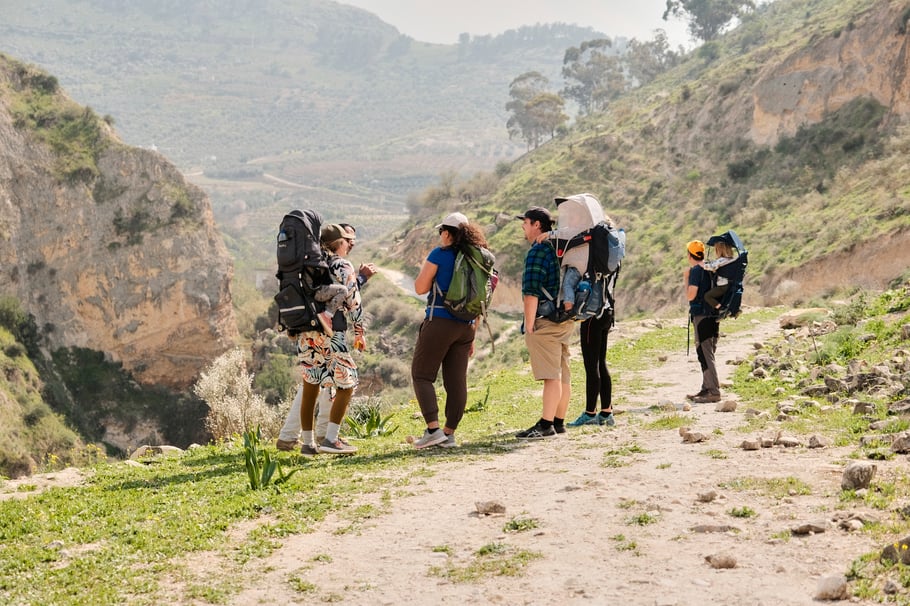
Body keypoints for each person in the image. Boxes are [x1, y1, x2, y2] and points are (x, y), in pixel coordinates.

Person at [276, 224, 374, 452]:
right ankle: (331, 439)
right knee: (347, 383)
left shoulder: (310, 264)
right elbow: (353, 300)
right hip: (331, 333)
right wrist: (359, 331)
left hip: (306, 331)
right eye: (348, 241)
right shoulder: (342, 265)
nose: (350, 245)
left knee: (311, 384)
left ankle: (308, 444)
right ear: (339, 242)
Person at [409, 212, 484, 449]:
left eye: (441, 230)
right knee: (456, 381)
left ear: (448, 233)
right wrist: (473, 333)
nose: (440, 234)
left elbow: (420, 287)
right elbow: (480, 298)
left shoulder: (439, 254)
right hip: (467, 326)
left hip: (440, 321)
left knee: (422, 375)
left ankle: (433, 430)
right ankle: (449, 433)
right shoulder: (478, 257)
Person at [515, 206, 575, 439]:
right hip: (563, 319)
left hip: (545, 322)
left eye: (526, 222)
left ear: (537, 225)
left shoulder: (537, 251)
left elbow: (531, 292)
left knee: (551, 376)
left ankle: (546, 425)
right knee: (562, 372)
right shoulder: (558, 247)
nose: (523, 227)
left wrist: (529, 325)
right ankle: (559, 421)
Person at [685, 240, 721, 404]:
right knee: (708, 352)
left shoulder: (696, 271)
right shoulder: (711, 268)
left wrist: (686, 278)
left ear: (690, 255)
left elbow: (690, 295)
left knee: (705, 354)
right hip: (714, 315)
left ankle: (713, 391)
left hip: (701, 316)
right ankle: (706, 388)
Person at [701, 239, 738, 310]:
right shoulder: (732, 260)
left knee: (707, 296)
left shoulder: (721, 260)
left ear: (719, 251)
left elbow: (711, 267)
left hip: (722, 286)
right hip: (731, 284)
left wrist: (702, 264)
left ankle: (722, 309)